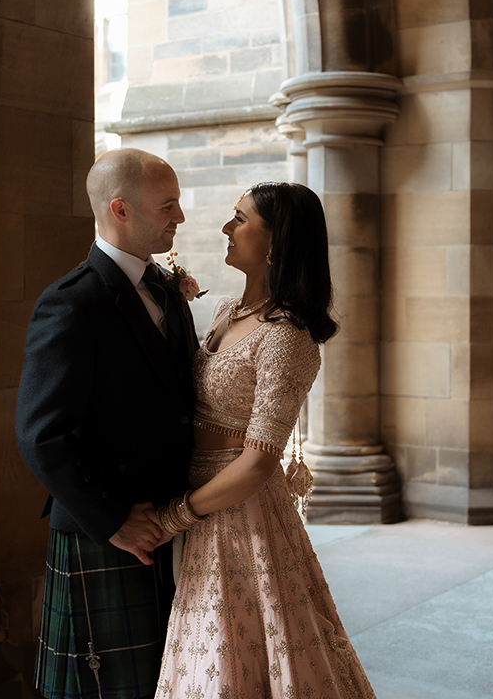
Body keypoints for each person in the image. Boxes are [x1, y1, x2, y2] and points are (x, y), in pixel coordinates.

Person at [153, 182, 377, 699]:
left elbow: (257, 461)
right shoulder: (225, 311)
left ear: (276, 242)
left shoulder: (288, 335)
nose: (226, 228)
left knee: (235, 657)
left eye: (239, 218)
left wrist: (176, 517)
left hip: (239, 512)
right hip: (199, 497)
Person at [17, 148, 200, 699]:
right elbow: (42, 435)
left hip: (172, 520)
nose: (181, 218)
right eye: (168, 206)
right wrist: (114, 517)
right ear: (119, 209)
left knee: (164, 683)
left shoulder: (168, 290)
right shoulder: (72, 304)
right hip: (110, 528)